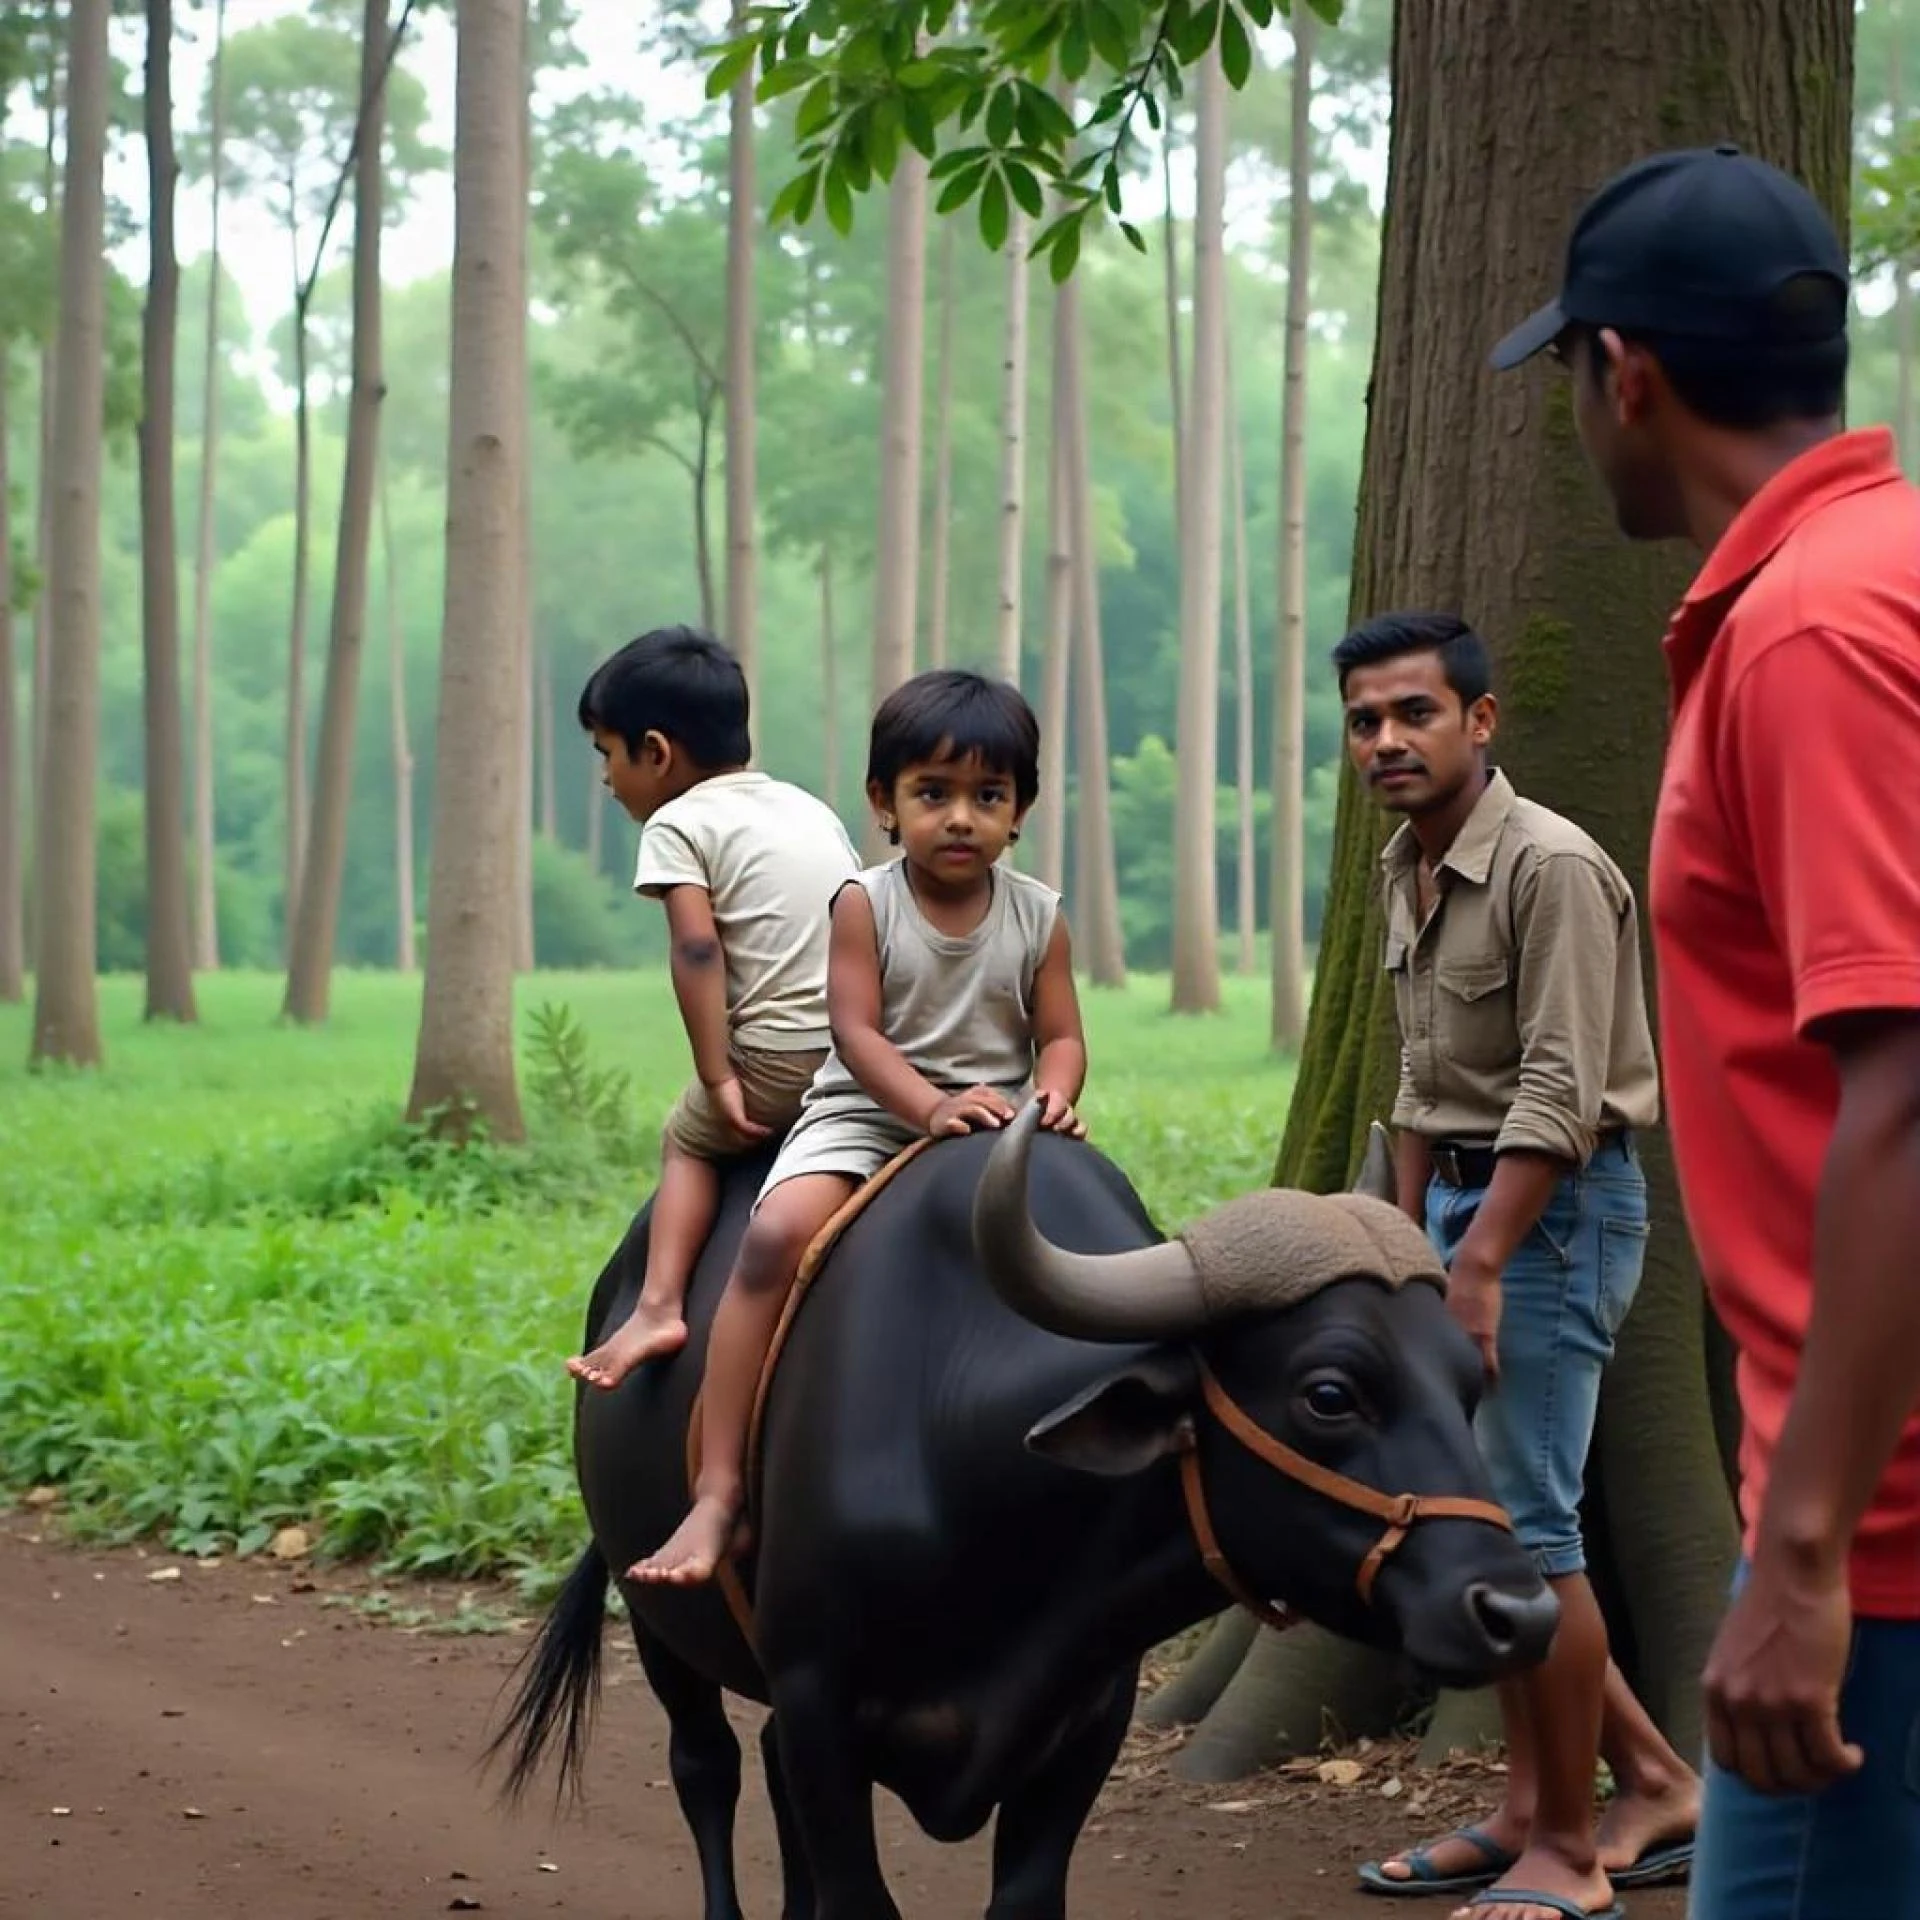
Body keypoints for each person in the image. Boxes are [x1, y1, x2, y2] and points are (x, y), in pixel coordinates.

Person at [1492, 143, 1920, 1920]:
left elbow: (1907, 1088)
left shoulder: (1812, 632)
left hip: (1886, 1528)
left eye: (1572, 381)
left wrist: (1808, 1552)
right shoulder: (1883, 567)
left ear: (1628, 375)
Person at [1339, 612, 1698, 1920]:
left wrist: (1479, 1265)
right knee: (1488, 1523)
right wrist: (1402, 1239)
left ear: (1480, 721)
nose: (1387, 740)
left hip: (1553, 1217)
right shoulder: (1405, 861)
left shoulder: (1552, 867)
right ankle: (1627, 1784)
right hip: (1462, 1214)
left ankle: (1566, 1847)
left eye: (1414, 714)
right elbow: (1424, 1079)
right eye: (1367, 719)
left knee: (1532, 1534)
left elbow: (1558, 1087)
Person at [631, 667, 1089, 1586]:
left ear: (1022, 809)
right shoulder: (863, 903)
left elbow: (1063, 1033)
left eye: (987, 795)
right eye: (933, 793)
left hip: (995, 1131)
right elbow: (856, 1032)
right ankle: (719, 1489)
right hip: (867, 1115)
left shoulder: (1038, 915)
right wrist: (926, 1107)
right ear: (884, 802)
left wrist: (1053, 1096)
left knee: (1085, 1261)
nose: (960, 817)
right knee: (771, 1238)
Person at [566, 626, 858, 1391]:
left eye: (608, 754)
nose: (607, 779)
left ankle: (659, 1304)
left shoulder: (678, 823)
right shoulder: (808, 808)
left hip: (779, 1061)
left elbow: (698, 950)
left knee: (686, 1138)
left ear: (656, 752)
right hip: (862, 1055)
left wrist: (717, 1075)